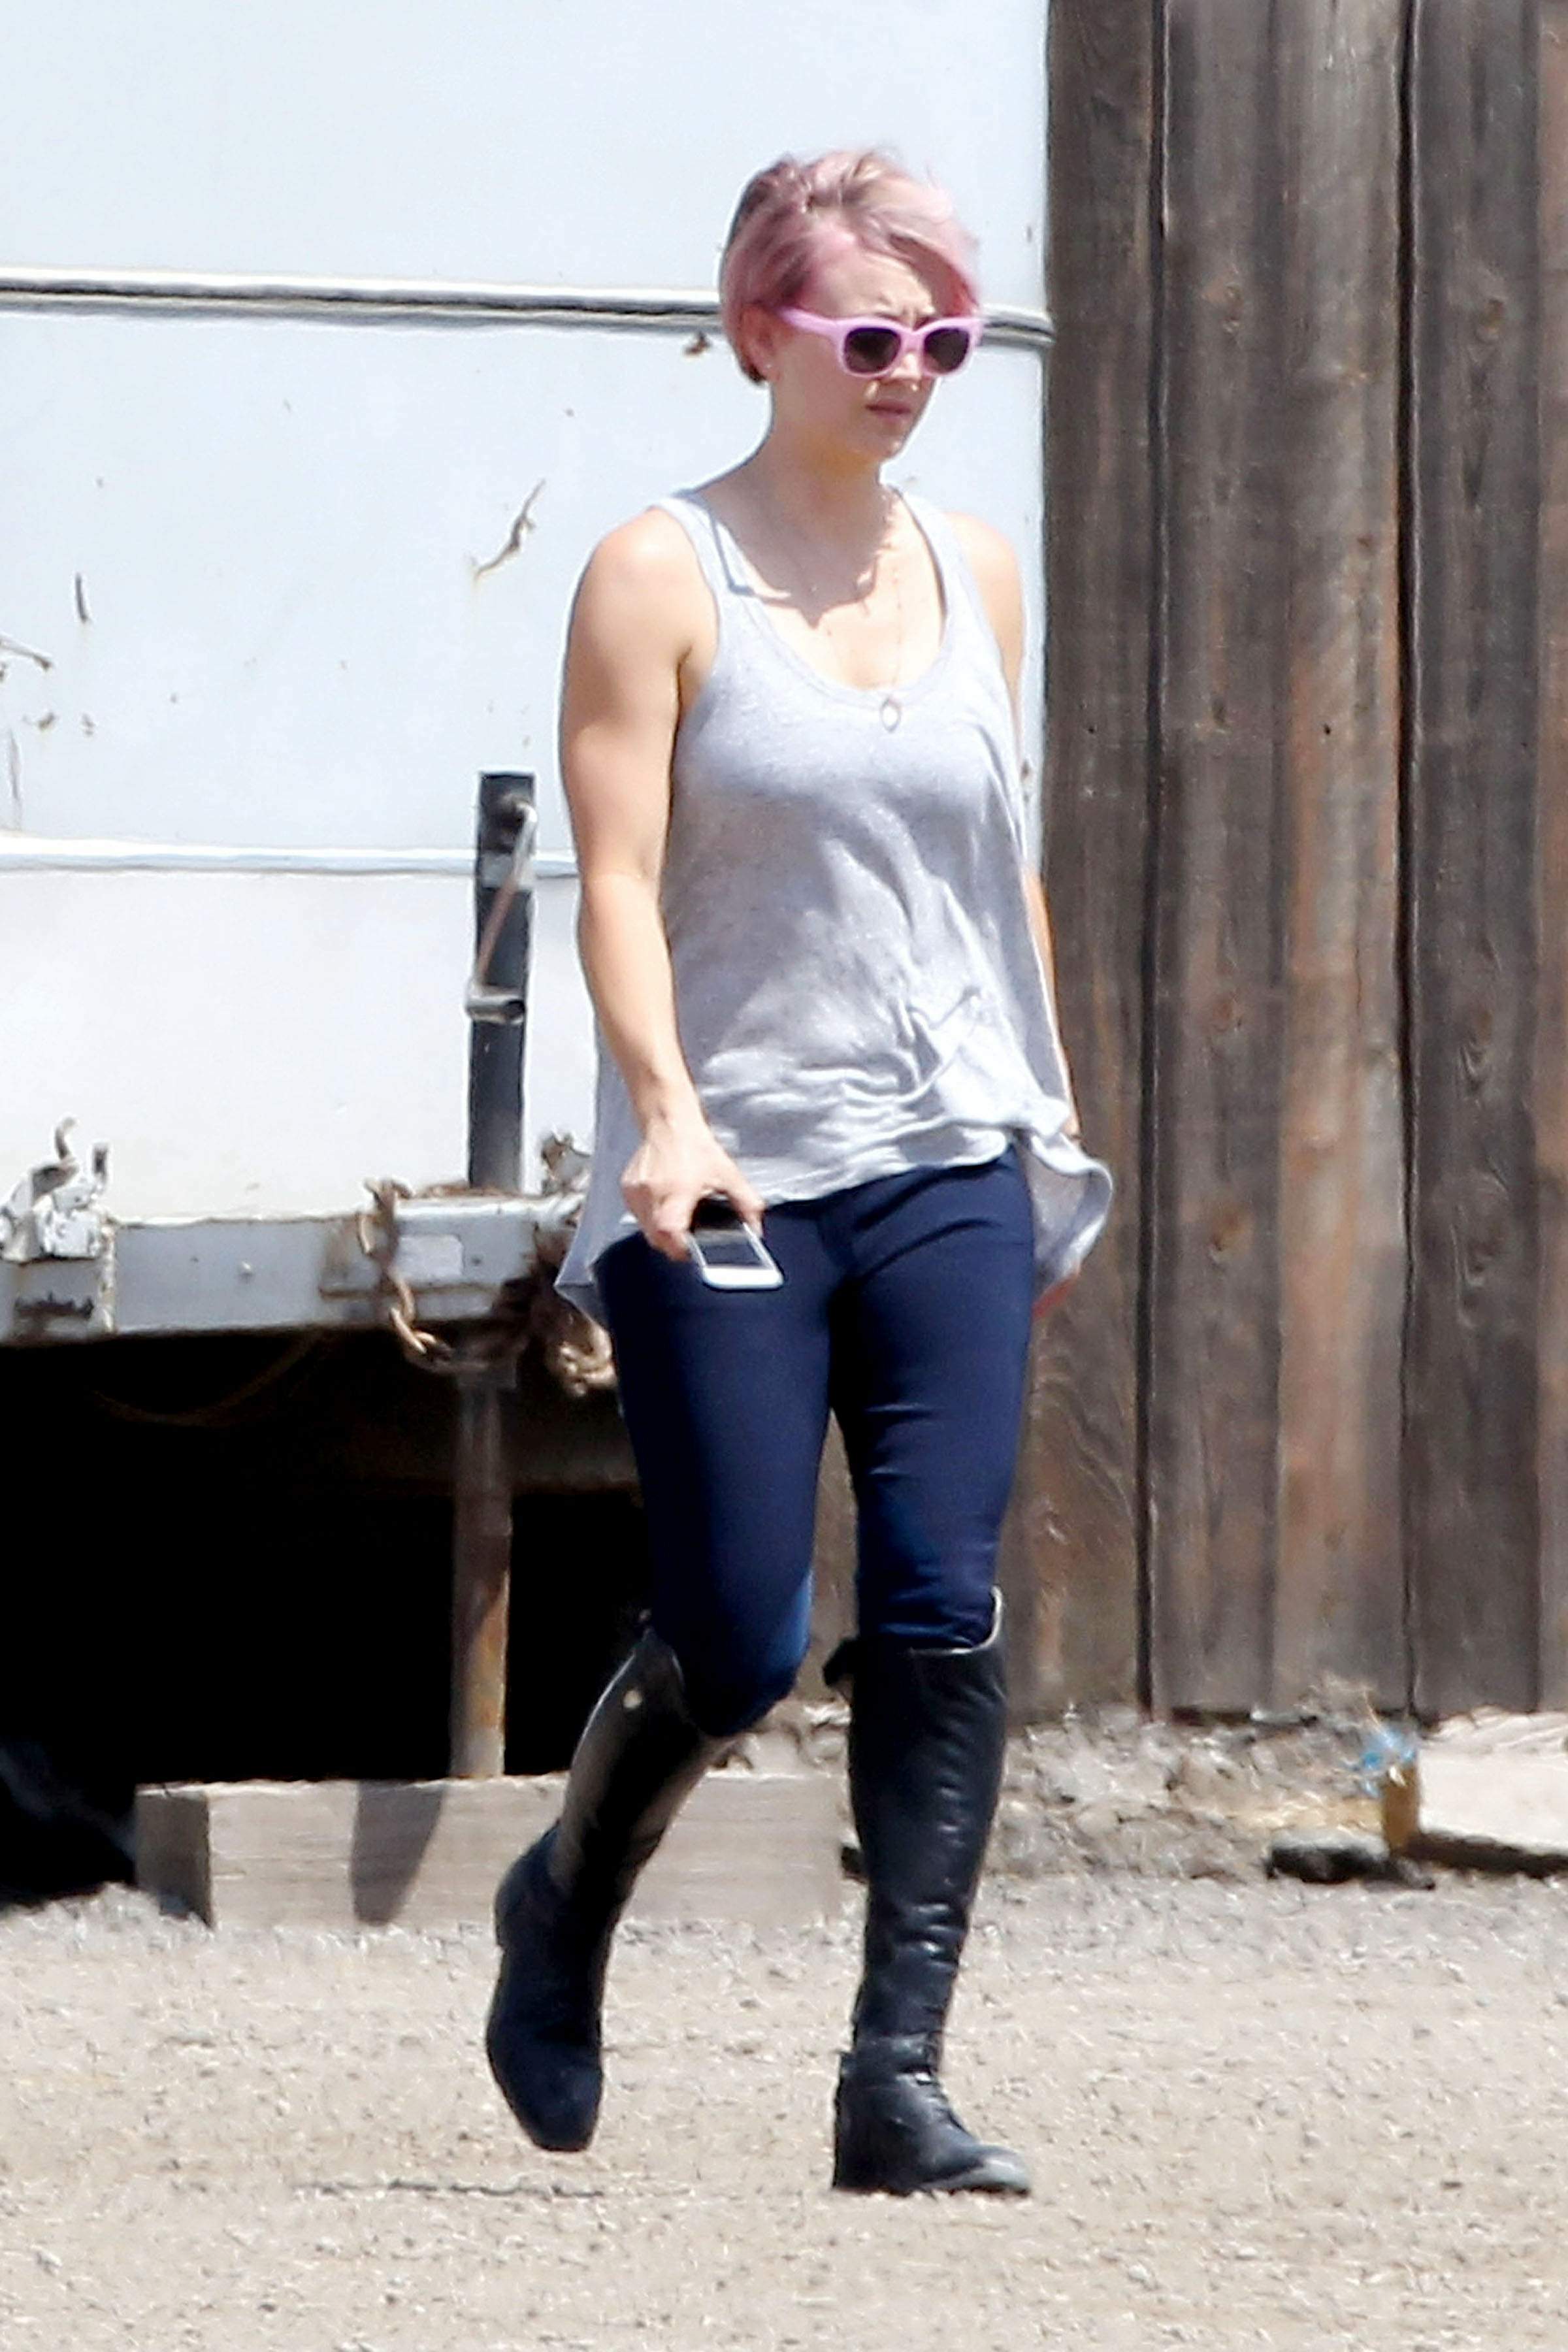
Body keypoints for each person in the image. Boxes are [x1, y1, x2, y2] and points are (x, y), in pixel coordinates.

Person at [485, 149, 1111, 2197]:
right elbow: (618, 878)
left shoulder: (979, 573)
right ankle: (563, 1899)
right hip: (734, 1173)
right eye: (872, 334)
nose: (910, 370)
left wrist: (1046, 1122)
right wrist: (664, 1110)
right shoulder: (659, 576)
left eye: (945, 339)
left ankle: (893, 2083)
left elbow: (1000, 869)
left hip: (949, 1154)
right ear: (764, 331)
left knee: (941, 1605)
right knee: (741, 1634)